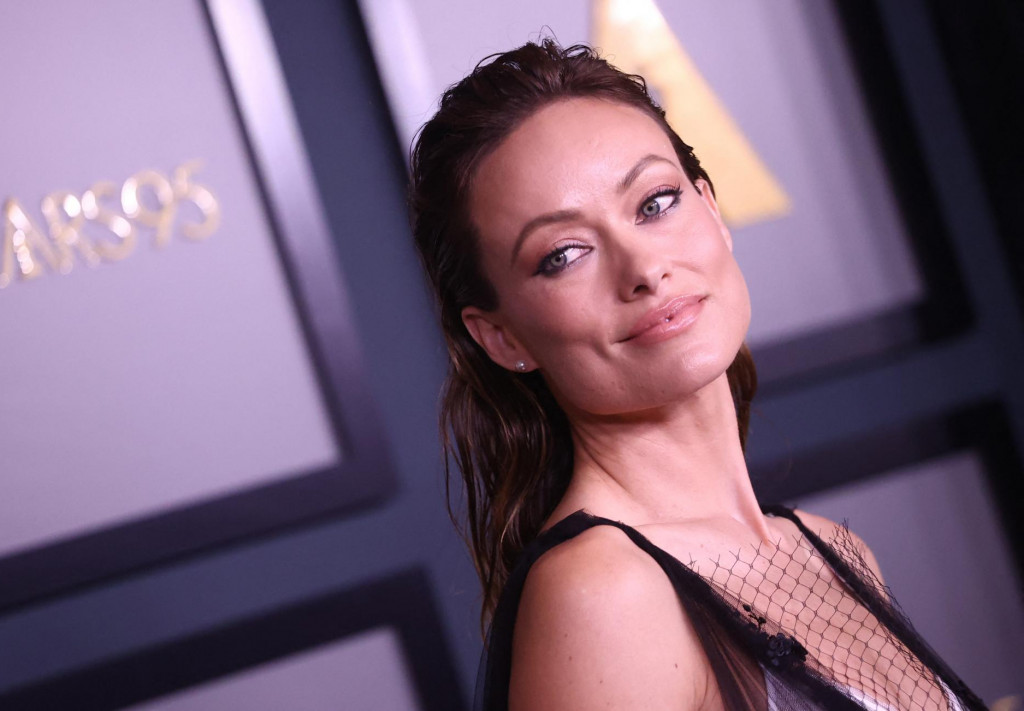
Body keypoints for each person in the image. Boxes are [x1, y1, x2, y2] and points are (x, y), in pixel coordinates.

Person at [408, 39, 986, 711]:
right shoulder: (604, 594)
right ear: (501, 336)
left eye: (655, 203)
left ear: (711, 209)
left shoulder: (835, 549)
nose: (644, 269)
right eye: (564, 253)